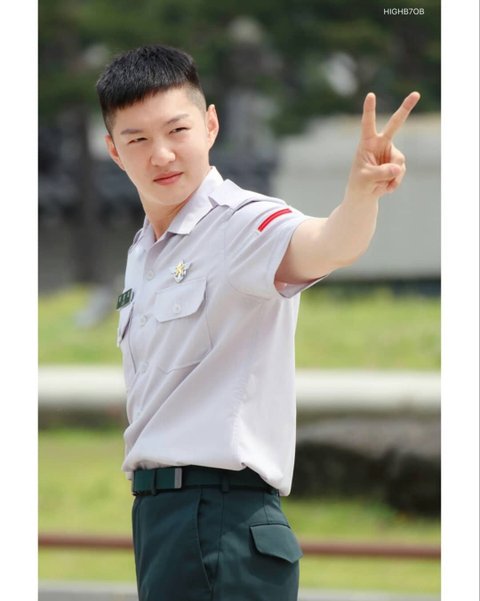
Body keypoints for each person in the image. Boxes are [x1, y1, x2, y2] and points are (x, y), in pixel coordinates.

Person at [95, 44, 420, 601]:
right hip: (163, 521)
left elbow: (327, 243)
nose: (162, 155)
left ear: (211, 124)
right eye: (138, 139)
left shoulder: (240, 224)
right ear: (114, 151)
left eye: (177, 130)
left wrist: (360, 197)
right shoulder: (143, 253)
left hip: (221, 519)